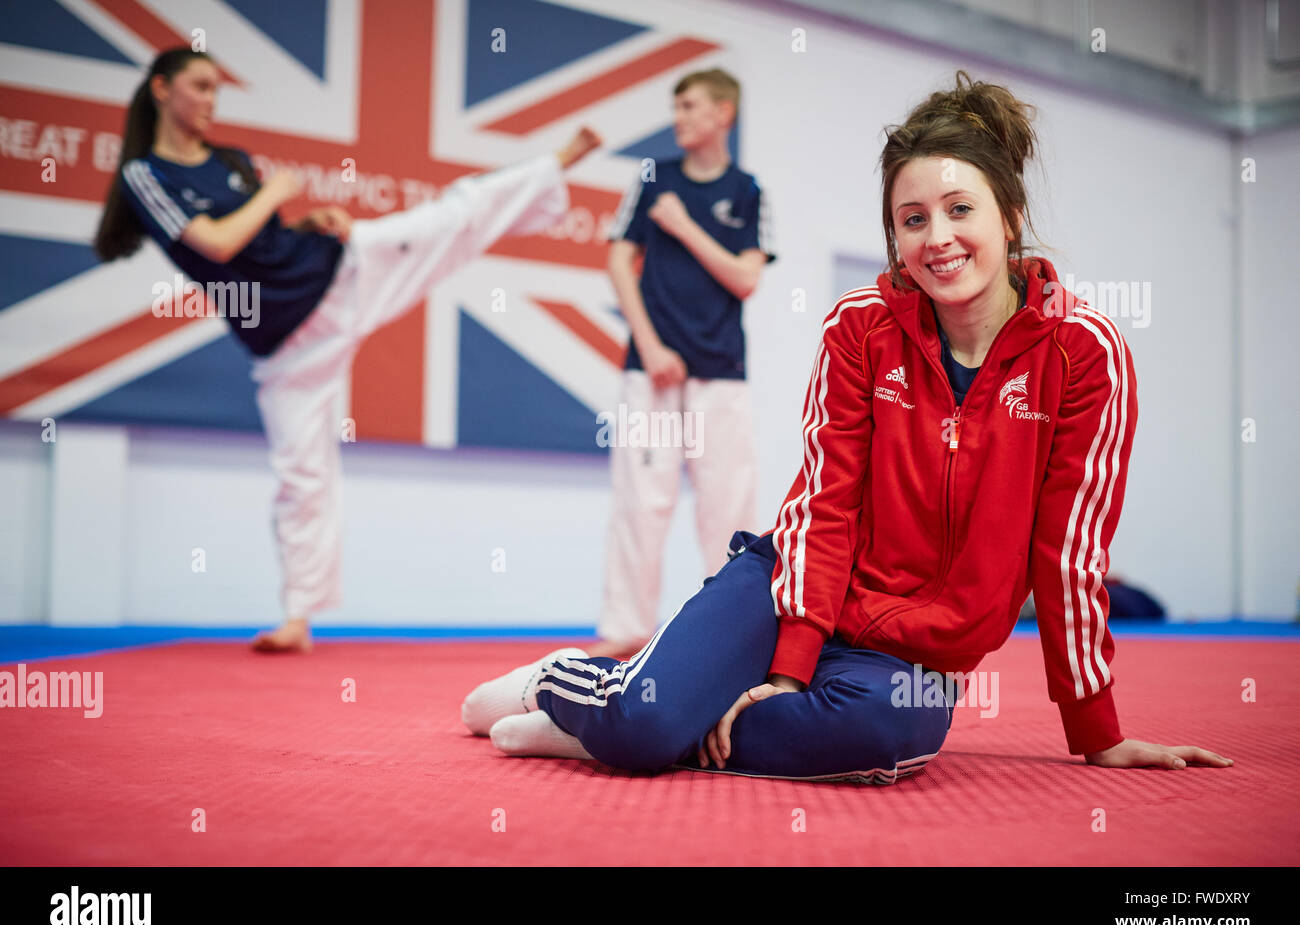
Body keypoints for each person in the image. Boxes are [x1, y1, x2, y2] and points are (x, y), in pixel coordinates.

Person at [462, 71, 1232, 780]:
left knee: (886, 733)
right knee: (646, 725)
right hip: (788, 589)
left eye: (962, 210)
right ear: (893, 233)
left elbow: (1069, 552)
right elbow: (824, 502)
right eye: (912, 218)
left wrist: (1096, 729)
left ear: (1011, 217)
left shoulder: (1084, 353)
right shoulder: (860, 328)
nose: (938, 238)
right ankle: (573, 690)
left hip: (912, 657)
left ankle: (644, 727)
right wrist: (790, 667)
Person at [94, 48, 601, 652]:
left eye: (215, 90)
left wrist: (307, 220)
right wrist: (276, 189)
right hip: (283, 343)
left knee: (446, 221)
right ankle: (297, 618)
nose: (209, 100)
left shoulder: (231, 161)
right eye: (199, 86)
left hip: (337, 273)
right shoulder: (146, 176)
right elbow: (220, 244)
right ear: (160, 89)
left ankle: (555, 163)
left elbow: (267, 241)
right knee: (300, 474)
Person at [586, 68, 776, 660]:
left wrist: (683, 225)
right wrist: (651, 345)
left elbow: (746, 278)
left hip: (719, 374)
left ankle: (732, 628)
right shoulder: (652, 179)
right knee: (641, 500)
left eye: (690, 106)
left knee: (729, 505)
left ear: (724, 113)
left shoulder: (747, 189)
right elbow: (619, 263)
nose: (679, 117)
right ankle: (625, 627)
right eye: (676, 107)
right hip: (653, 373)